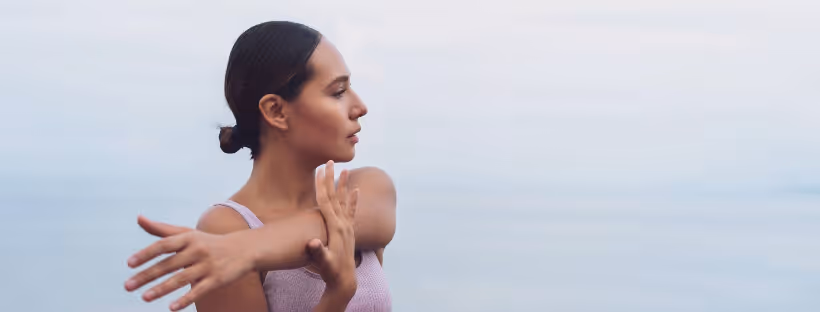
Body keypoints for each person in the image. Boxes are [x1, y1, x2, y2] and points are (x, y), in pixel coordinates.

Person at [123, 21, 395, 311]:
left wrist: (242, 248)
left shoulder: (367, 189)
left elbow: (336, 223)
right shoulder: (225, 228)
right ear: (276, 111)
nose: (360, 107)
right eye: (338, 92)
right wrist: (337, 295)